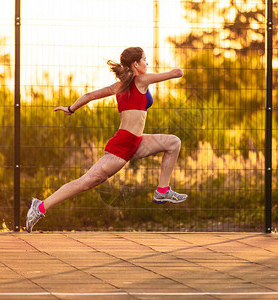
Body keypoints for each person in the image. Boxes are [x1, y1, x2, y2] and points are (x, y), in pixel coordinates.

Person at [26, 47, 187, 233]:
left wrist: (71, 109)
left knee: (173, 142)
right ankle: (39, 207)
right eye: (145, 59)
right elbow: (178, 73)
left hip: (136, 141)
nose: (147, 63)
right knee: (86, 182)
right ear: (136, 64)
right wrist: (176, 68)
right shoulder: (141, 80)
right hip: (123, 145)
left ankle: (162, 191)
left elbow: (88, 96)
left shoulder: (119, 86)